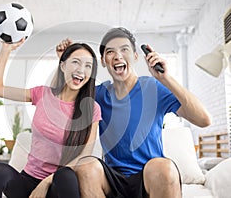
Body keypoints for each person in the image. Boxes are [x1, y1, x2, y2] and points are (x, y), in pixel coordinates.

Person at [56, 27, 211, 198]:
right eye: (110, 52)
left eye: (124, 49)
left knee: (164, 168)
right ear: (103, 61)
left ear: (136, 56)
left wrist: (166, 78)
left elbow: (204, 119)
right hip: (113, 181)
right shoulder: (99, 93)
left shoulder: (154, 88)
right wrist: (65, 65)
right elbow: (61, 104)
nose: (118, 56)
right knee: (86, 167)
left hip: (150, 177)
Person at [0, 38, 101, 198]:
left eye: (88, 66)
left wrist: (46, 183)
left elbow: (83, 157)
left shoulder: (91, 109)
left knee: (65, 175)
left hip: (57, 186)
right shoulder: (42, 94)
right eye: (76, 62)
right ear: (63, 65)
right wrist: (6, 49)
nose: (81, 70)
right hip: (27, 182)